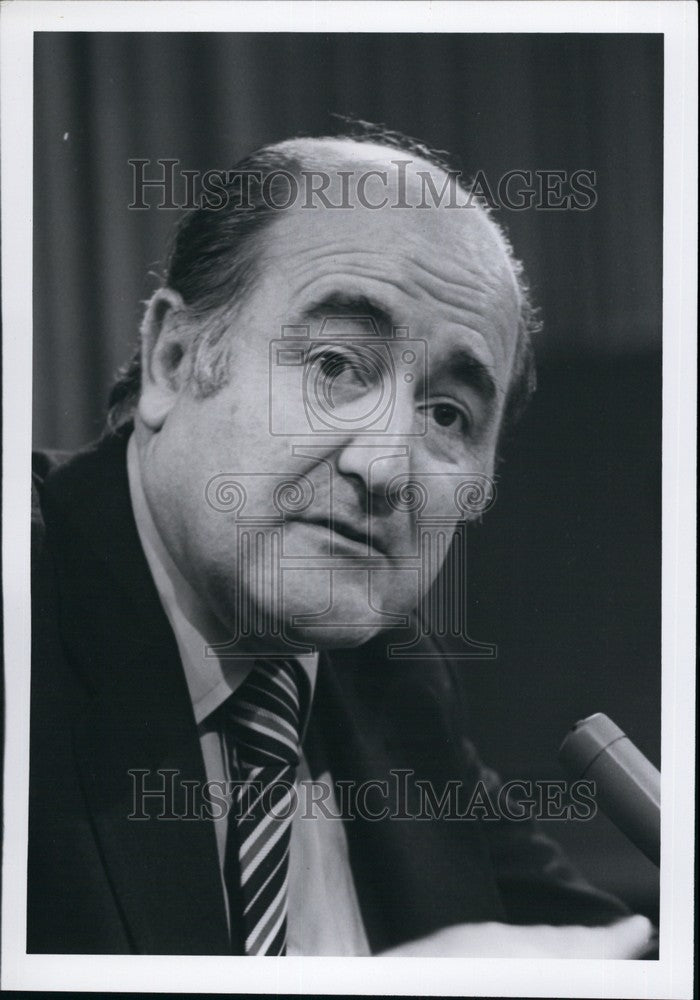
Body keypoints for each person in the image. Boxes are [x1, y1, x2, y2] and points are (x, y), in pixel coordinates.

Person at [28, 127, 653, 957]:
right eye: (335, 365)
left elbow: (604, 948)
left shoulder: (389, 674)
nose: (385, 466)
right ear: (173, 361)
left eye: (447, 415)